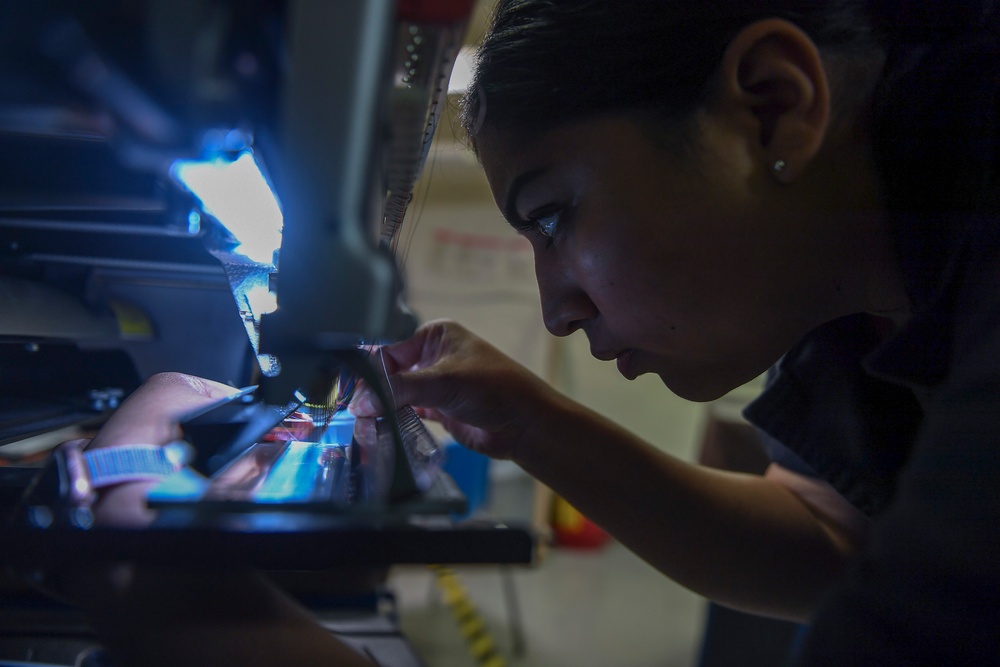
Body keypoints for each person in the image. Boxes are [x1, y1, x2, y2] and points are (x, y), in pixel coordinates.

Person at [56, 1, 1000, 664]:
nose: (557, 310)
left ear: (771, 103)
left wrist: (180, 599)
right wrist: (524, 419)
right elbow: (836, 541)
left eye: (555, 217)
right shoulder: (866, 285)